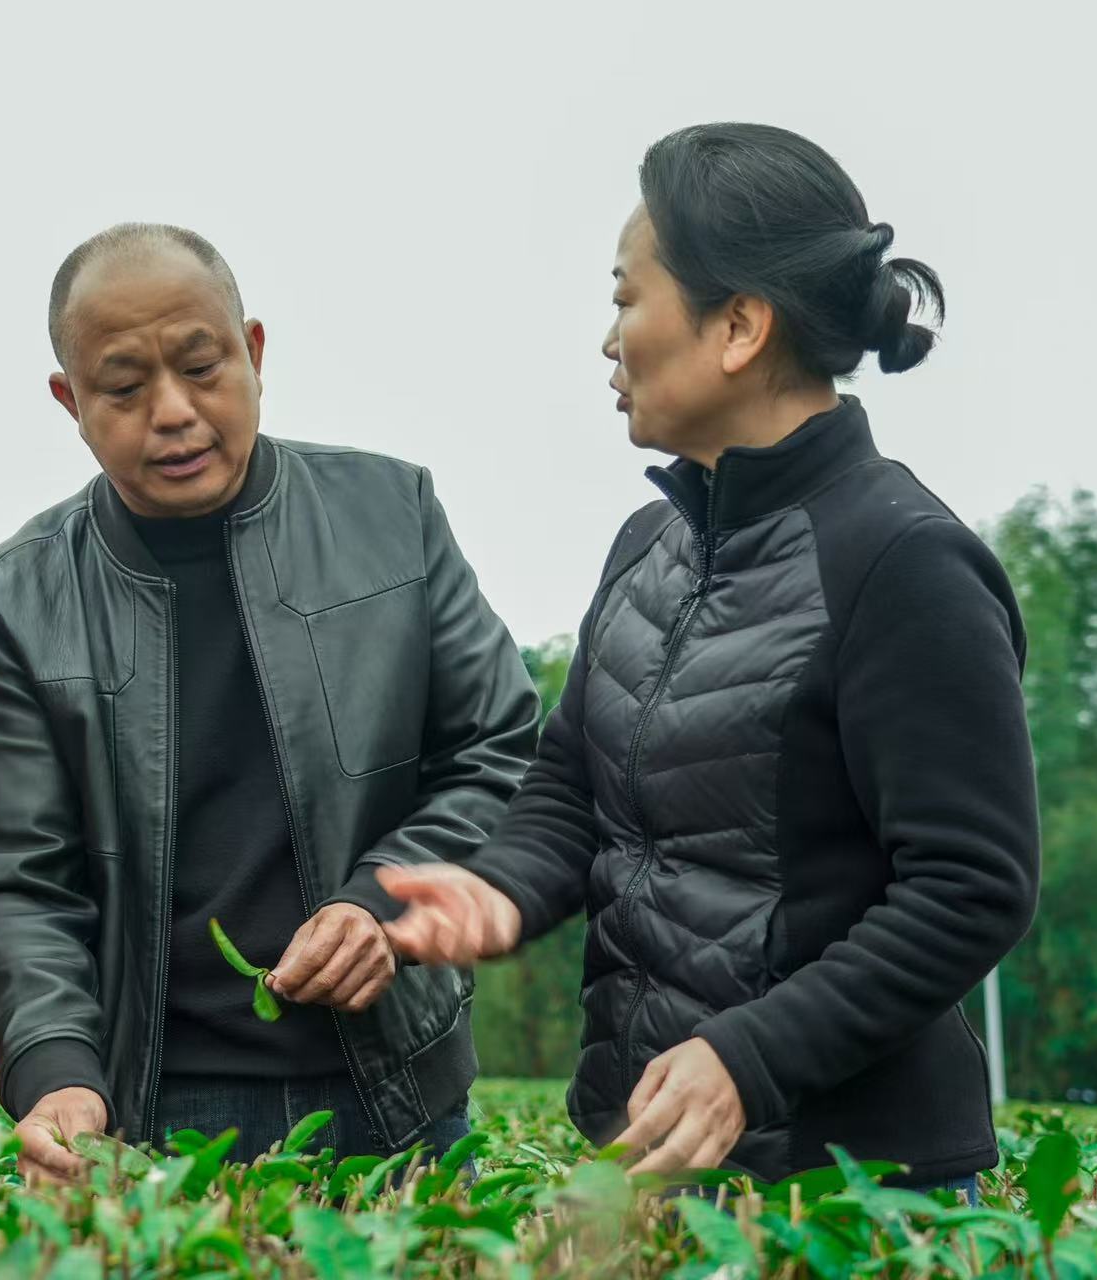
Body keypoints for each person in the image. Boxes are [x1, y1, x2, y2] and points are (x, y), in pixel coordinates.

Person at [379, 124, 1040, 1196]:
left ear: (738, 326)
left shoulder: (904, 560)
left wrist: (751, 1056)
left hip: (855, 1186)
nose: (609, 341)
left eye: (626, 298)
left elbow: (972, 887)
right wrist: (499, 891)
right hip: (656, 1151)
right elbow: (571, 785)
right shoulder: (649, 545)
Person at [0, 223, 542, 1180]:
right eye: (124, 388)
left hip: (400, 1095)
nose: (174, 413)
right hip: (152, 1115)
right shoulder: (11, 602)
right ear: (70, 402)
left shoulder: (392, 516)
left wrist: (384, 902)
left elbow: (499, 754)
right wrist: (56, 1071)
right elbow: (17, 883)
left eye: (201, 367)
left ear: (253, 351)